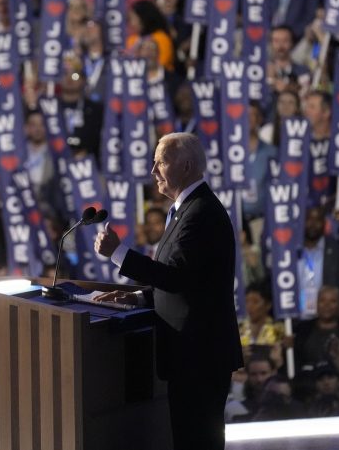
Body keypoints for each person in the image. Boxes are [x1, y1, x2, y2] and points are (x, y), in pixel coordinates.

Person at [94, 132, 243, 450]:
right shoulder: (186, 209)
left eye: (160, 161)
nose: (153, 171)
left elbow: (176, 278)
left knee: (198, 442)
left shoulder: (200, 213)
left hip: (199, 355)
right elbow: (189, 281)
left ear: (186, 165)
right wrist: (137, 296)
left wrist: (118, 253)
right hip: (192, 354)